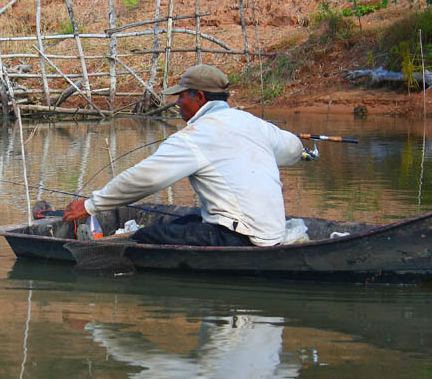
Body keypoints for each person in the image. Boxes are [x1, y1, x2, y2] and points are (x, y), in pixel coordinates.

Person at [63, 64, 306, 246]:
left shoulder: (196, 135)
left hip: (242, 237)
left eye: (181, 95)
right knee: (186, 220)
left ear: (199, 97)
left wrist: (91, 205)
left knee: (145, 236)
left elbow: (147, 178)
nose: (177, 102)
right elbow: (294, 148)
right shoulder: (253, 123)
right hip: (271, 232)